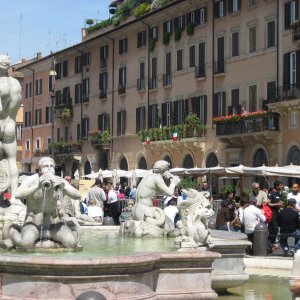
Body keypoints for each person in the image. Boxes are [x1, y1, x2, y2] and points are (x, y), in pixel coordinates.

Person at [10, 157, 81, 249]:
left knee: (71, 243)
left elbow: (78, 195)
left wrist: (64, 187)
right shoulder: (31, 180)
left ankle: (50, 241)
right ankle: (12, 231)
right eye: (46, 166)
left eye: (52, 166)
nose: (49, 168)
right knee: (26, 244)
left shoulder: (59, 180)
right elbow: (17, 194)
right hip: (34, 224)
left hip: (54, 224)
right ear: (40, 169)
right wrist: (37, 185)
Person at [0, 55, 22, 206]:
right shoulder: (16, 84)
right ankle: (14, 197)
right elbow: (14, 108)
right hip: (10, 126)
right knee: (12, 161)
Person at [132, 160, 180, 227]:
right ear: (163, 170)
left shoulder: (147, 177)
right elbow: (170, 193)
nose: (169, 172)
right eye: (168, 170)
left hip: (136, 211)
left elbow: (162, 192)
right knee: (170, 226)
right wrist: (174, 182)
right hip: (145, 211)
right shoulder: (157, 177)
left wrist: (168, 181)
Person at [267, 180, 284, 249]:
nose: (282, 186)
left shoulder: (278, 193)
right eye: (281, 185)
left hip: (277, 213)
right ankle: (270, 243)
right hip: (272, 213)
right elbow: (268, 203)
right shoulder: (271, 193)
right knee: (274, 228)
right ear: (277, 186)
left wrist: (280, 204)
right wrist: (277, 204)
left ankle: (271, 243)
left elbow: (277, 202)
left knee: (275, 229)